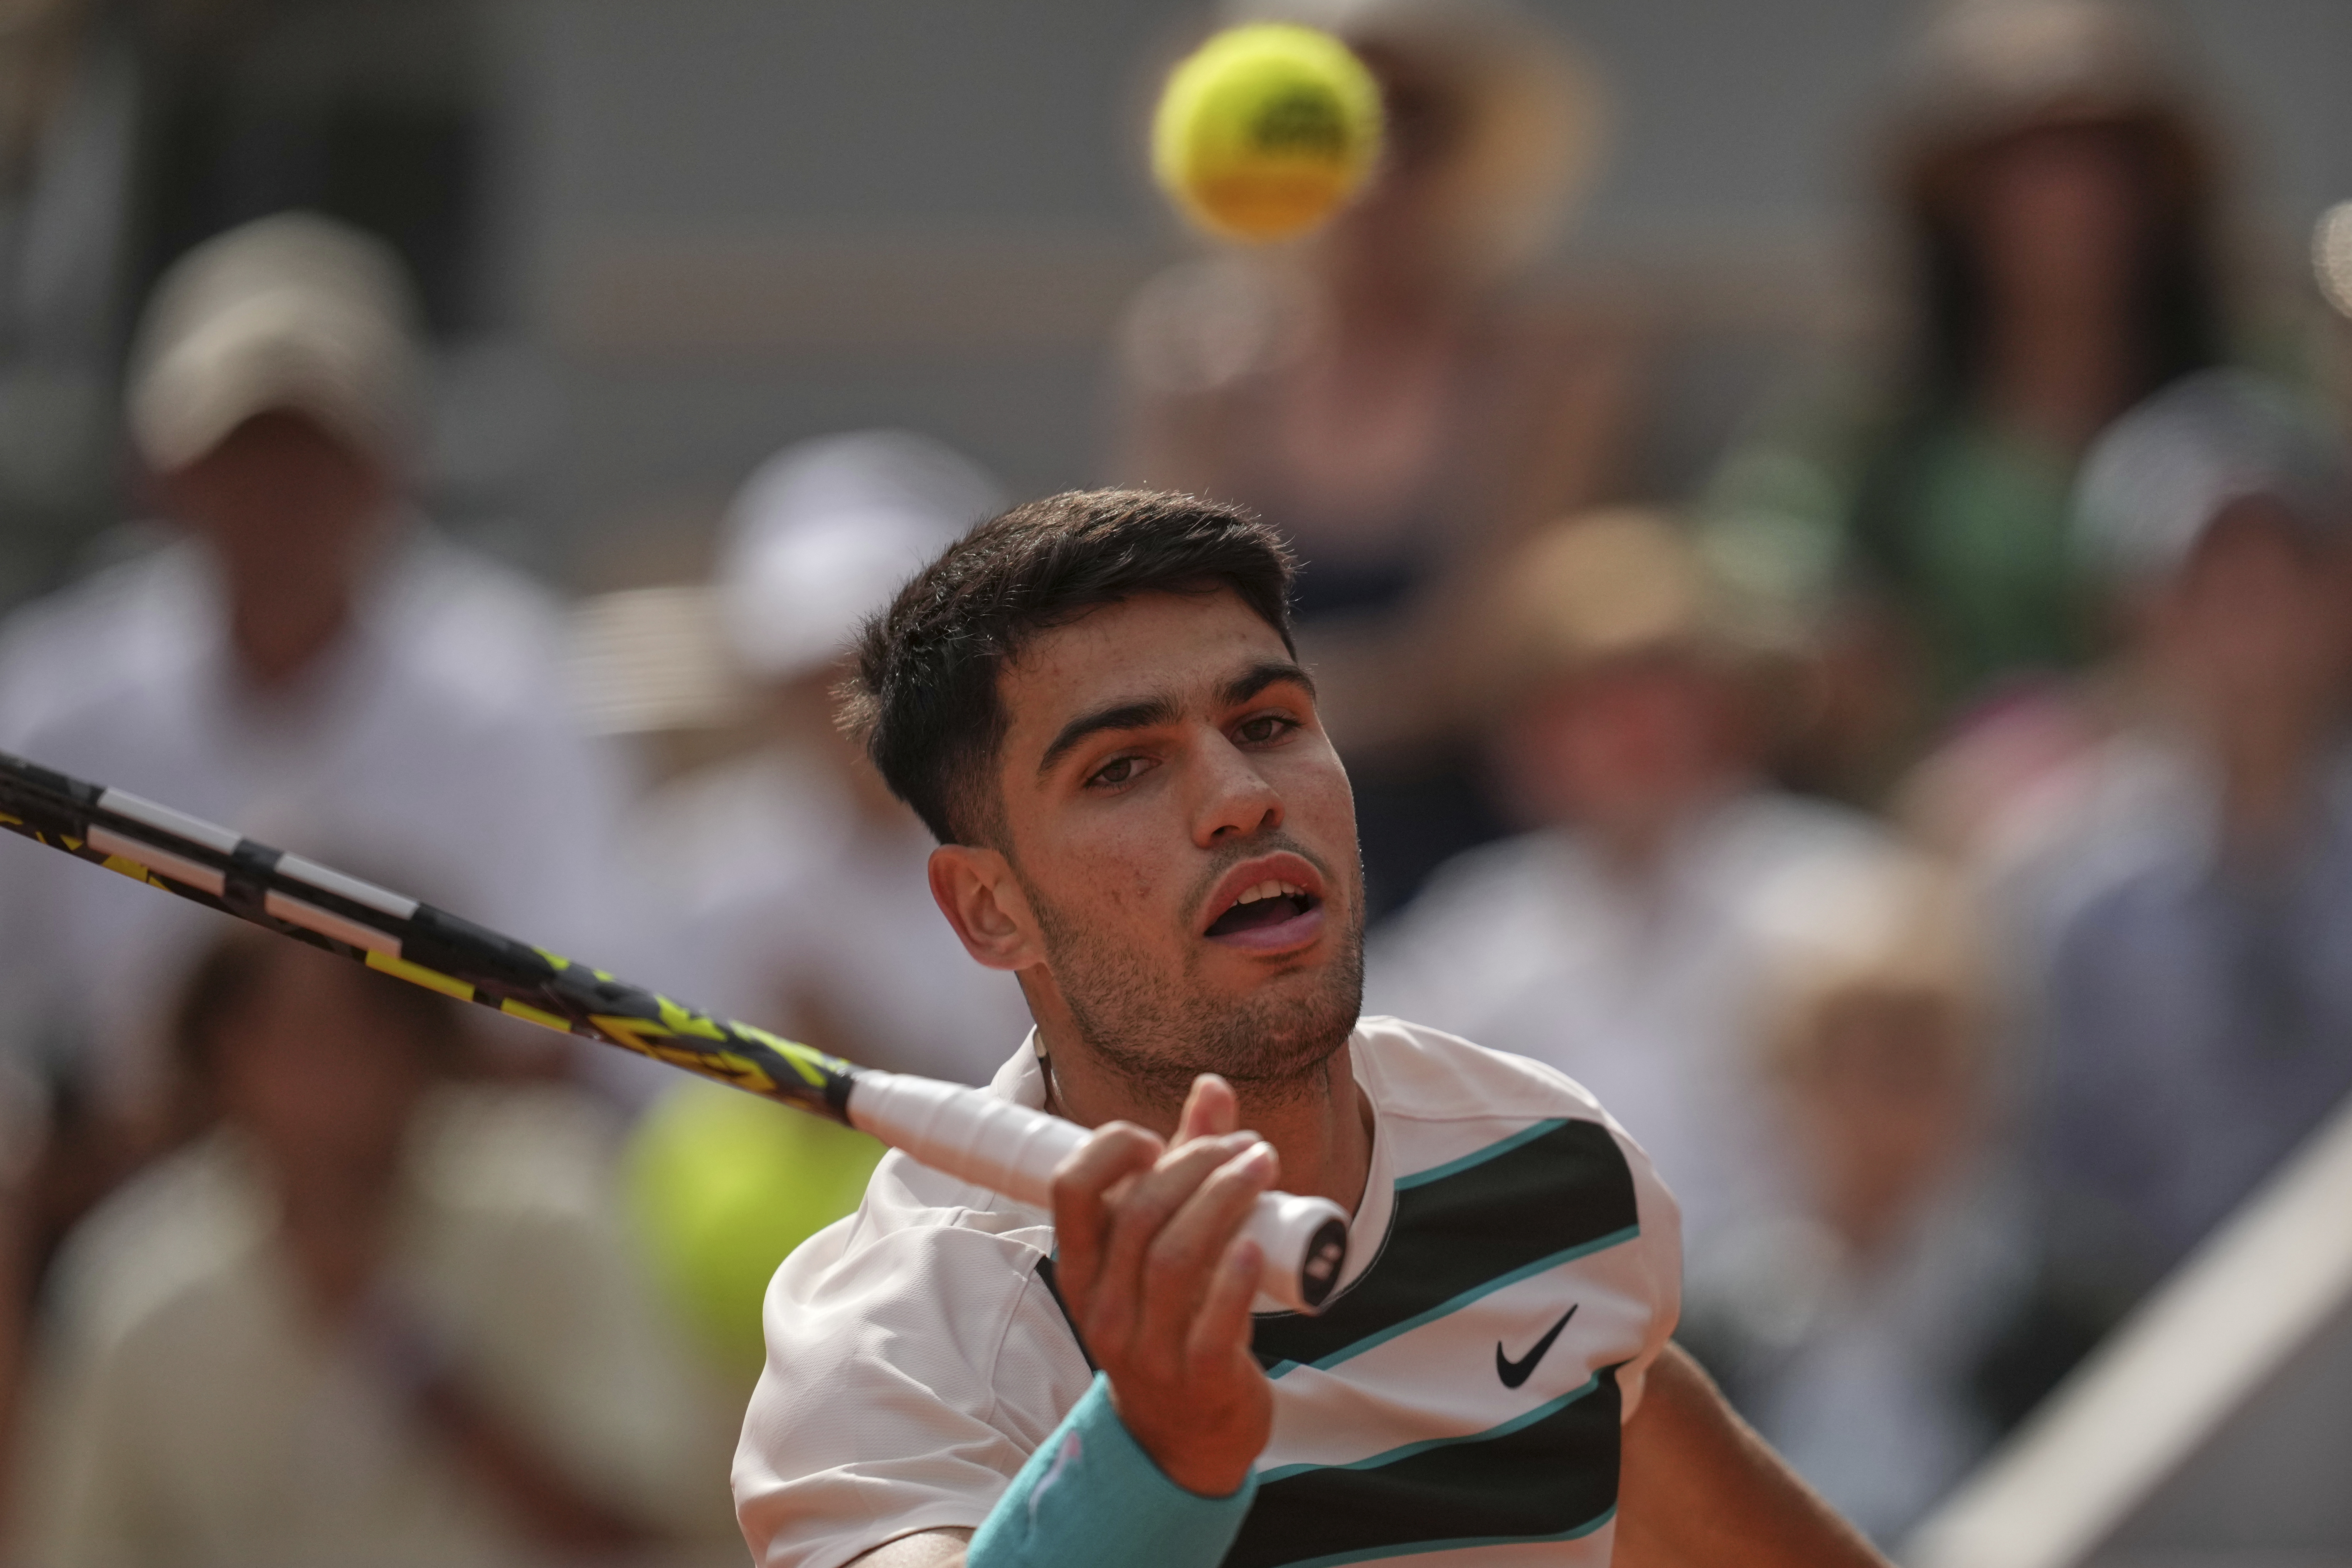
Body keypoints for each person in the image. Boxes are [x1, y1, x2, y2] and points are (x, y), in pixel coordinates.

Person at [733, 491, 1888, 1568]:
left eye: (1269, 719)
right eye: (1122, 767)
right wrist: (1147, 1465)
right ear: (989, 908)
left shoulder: (1542, 1164)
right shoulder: (891, 1345)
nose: (1240, 794)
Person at [0, 212, 643, 1131]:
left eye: (317, 452)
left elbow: (573, 1036)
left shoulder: (512, 688)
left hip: (436, 1186)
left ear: (395, 468)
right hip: (126, 1191)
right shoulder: (56, 698)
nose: (279, 494)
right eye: (242, 453)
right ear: (162, 473)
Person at [1116, 0, 1633, 913]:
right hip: (1238, 829)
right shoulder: (1192, 363)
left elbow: (1489, 656)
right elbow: (1160, 635)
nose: (1376, 161)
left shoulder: (1552, 366)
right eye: (1325, 124)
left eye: (1415, 123)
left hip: (1479, 853)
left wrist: (1255, 721)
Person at [18, 923, 729, 1565]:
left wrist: (406, 1351)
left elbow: (651, 1532)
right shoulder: (137, 1286)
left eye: (365, 1030)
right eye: (293, 1038)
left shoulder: (547, 1202)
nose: (332, 1077)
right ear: (220, 1056)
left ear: (419, 1035)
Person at [1700, 0, 2233, 801]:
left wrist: (2080, 739)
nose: (2070, 199)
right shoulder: (1880, 422)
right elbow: (1752, 559)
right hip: (1930, 830)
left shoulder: (2245, 398)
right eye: (2027, 165)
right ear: (1958, 201)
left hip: (2211, 819)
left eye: (2102, 159)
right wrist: (1819, 637)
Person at [1367, 511, 1888, 1258]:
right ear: (1522, 741)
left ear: (1720, 707)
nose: (1631, 730)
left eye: (1657, 689)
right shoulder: (1479, 936)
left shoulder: (1849, 903)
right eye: (1584, 702)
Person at [2017, 370, 2352, 1286]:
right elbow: (2055, 1179)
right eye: (2211, 579)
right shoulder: (2064, 883)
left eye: (2286, 571)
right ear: (2140, 611)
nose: (2254, 612)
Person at [1678, 849, 2102, 1544]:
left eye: (1909, 1067)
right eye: (1835, 1065)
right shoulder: (1709, 1337)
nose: (1869, 1111)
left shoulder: (2060, 1317)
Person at [635, 430, 1031, 1083]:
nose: (853, 701)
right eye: (818, 671)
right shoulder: (687, 876)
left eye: (898, 663)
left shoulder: (1070, 850)